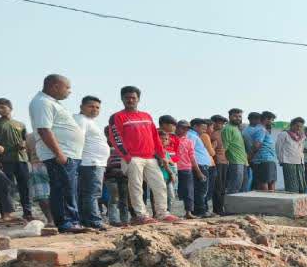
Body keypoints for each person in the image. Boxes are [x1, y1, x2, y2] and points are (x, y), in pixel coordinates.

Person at [28, 74, 87, 233]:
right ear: (54, 86)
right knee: (62, 189)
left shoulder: (52, 103)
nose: (69, 91)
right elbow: (43, 129)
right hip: (60, 155)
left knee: (69, 189)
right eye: (67, 87)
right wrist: (59, 154)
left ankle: (73, 221)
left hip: (69, 154)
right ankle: (66, 223)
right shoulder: (42, 102)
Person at [109, 86, 175, 224]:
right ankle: (141, 215)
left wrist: (162, 155)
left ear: (138, 99)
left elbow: (155, 137)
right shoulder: (117, 117)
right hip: (132, 158)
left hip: (150, 157)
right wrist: (127, 157)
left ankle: (162, 213)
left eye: (133, 98)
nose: (130, 100)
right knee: (136, 186)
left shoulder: (146, 116)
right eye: (127, 98)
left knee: (159, 184)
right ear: (122, 99)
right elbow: (116, 138)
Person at [0, 98, 33, 220]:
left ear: (10, 108)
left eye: (2, 107)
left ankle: (28, 213)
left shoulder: (20, 124)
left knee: (25, 187)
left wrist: (23, 143)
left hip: (22, 159)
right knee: (5, 187)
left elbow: (25, 138)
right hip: (5, 159)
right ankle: (6, 214)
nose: (0, 110)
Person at [74, 96, 110, 231]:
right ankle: (94, 221)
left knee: (88, 193)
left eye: (97, 107)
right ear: (81, 107)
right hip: (90, 162)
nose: (94, 109)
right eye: (91, 106)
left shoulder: (89, 121)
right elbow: (78, 139)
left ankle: (86, 221)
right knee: (92, 193)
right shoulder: (81, 120)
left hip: (94, 162)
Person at [185, 119, 214, 218]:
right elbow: (190, 152)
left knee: (201, 190)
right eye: (203, 128)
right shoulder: (192, 136)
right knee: (201, 190)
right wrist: (198, 170)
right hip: (199, 166)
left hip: (201, 165)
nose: (204, 131)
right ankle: (201, 211)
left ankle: (202, 210)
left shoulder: (194, 136)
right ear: (195, 127)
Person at [219, 108, 247, 213]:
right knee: (233, 188)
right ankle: (229, 211)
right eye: (235, 116)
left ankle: (237, 210)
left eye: (240, 116)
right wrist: (225, 161)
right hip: (234, 162)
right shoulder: (228, 129)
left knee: (241, 188)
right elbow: (224, 148)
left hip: (242, 162)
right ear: (229, 117)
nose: (238, 118)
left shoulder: (237, 129)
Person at [24, 132, 55, 225]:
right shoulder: (53, 131)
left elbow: (28, 155)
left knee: (42, 195)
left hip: (36, 165)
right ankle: (60, 218)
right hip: (53, 163)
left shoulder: (29, 136)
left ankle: (50, 220)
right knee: (58, 193)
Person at [250, 111, 278, 192]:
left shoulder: (263, 129)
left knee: (271, 182)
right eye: (271, 120)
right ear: (266, 119)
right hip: (263, 160)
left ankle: (272, 203)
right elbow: (256, 145)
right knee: (264, 183)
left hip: (269, 160)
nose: (272, 122)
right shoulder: (260, 129)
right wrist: (250, 156)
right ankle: (266, 203)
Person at [277, 117, 306, 193]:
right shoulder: (283, 134)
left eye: (301, 126)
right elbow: (278, 148)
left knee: (301, 186)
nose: (299, 128)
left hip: (300, 162)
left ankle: (301, 203)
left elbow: (301, 150)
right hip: (288, 162)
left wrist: (302, 161)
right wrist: (281, 160)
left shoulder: (302, 136)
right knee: (292, 186)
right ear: (292, 125)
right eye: (297, 126)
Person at [205, 115, 227, 215]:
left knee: (222, 187)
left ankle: (221, 208)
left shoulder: (224, 133)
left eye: (222, 123)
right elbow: (210, 150)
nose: (220, 124)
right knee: (217, 187)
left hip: (225, 162)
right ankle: (217, 209)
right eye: (218, 122)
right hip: (216, 162)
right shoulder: (211, 134)